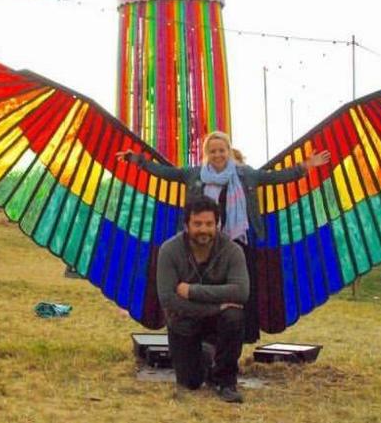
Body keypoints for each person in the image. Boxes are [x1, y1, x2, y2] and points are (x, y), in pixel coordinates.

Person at [119, 130, 330, 343]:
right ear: (206, 154)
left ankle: (234, 343)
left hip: (236, 244)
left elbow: (275, 178)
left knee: (236, 294)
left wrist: (306, 166)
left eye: (221, 150)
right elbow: (164, 172)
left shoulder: (246, 174)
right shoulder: (194, 174)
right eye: (213, 151)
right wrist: (137, 160)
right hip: (202, 245)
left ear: (228, 151)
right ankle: (200, 342)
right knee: (201, 292)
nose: (218, 155)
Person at [156, 196, 248, 403]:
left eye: (209, 224)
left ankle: (225, 381)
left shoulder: (233, 251)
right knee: (190, 382)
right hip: (183, 323)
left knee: (234, 315)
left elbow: (241, 292)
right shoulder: (169, 251)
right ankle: (206, 355)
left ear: (217, 225)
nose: (203, 229)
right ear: (186, 225)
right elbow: (168, 300)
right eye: (197, 224)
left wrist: (192, 291)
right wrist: (217, 307)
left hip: (219, 322)